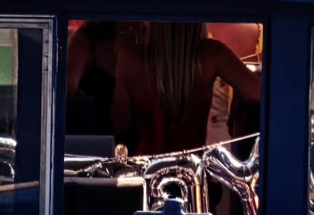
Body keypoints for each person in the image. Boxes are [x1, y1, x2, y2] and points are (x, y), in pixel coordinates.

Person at [111, 22, 260, 156]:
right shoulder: (211, 54)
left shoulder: (130, 58)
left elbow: (121, 125)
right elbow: (260, 92)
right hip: (192, 169)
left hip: (146, 169)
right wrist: (239, 98)